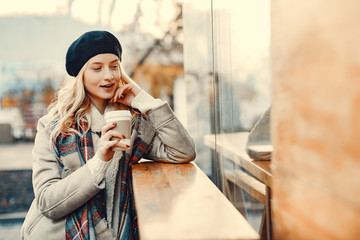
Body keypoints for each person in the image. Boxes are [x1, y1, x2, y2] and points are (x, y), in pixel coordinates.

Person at [21, 30, 196, 240]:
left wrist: (145, 102)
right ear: (81, 75)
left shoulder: (131, 121)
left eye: (114, 66)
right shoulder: (53, 128)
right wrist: (99, 162)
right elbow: (47, 202)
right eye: (97, 68)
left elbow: (182, 152)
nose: (109, 75)